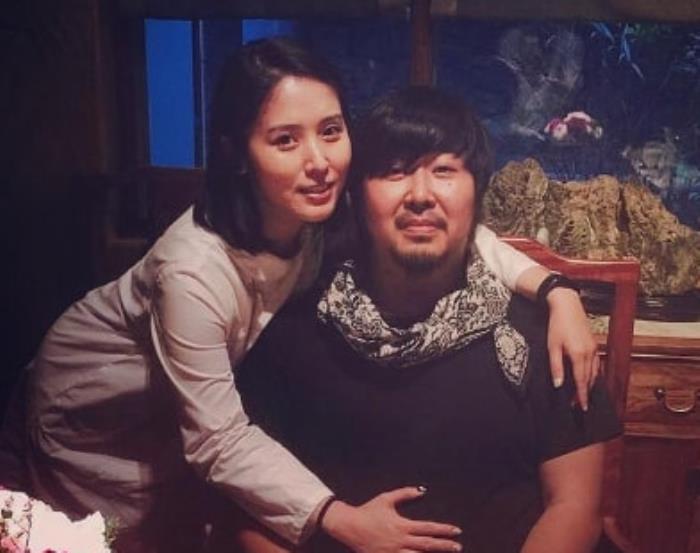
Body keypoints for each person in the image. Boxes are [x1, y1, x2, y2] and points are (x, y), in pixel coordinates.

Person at [1, 38, 597, 552]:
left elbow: (451, 227)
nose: (319, 163)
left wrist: (556, 290)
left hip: (193, 415)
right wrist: (347, 523)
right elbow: (217, 440)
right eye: (285, 140)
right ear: (237, 154)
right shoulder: (192, 272)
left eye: (331, 132)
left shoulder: (319, 209)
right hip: (93, 415)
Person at [235, 86, 622, 553]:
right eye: (395, 172)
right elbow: (247, 508)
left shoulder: (548, 336)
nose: (420, 195)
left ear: (477, 193)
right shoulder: (294, 329)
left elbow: (575, 508)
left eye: (444, 171)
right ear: (355, 195)